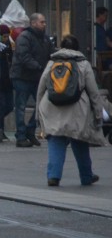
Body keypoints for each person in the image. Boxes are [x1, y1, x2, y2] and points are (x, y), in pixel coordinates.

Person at [35, 34, 102, 187]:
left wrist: (38, 113)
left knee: (55, 140)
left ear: (61, 47)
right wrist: (98, 114)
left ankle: (53, 176)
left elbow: (41, 88)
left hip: (52, 107)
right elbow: (94, 92)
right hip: (77, 109)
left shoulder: (52, 62)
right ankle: (86, 176)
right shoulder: (83, 63)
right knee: (80, 141)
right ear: (77, 48)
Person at [11, 12, 50, 147]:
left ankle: (30, 130)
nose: (44, 24)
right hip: (22, 77)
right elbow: (24, 57)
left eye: (44, 22)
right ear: (33, 23)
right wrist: (39, 67)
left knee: (43, 105)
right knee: (21, 107)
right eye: (42, 22)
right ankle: (21, 136)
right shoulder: (24, 37)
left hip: (37, 77)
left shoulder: (45, 38)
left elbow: (51, 53)